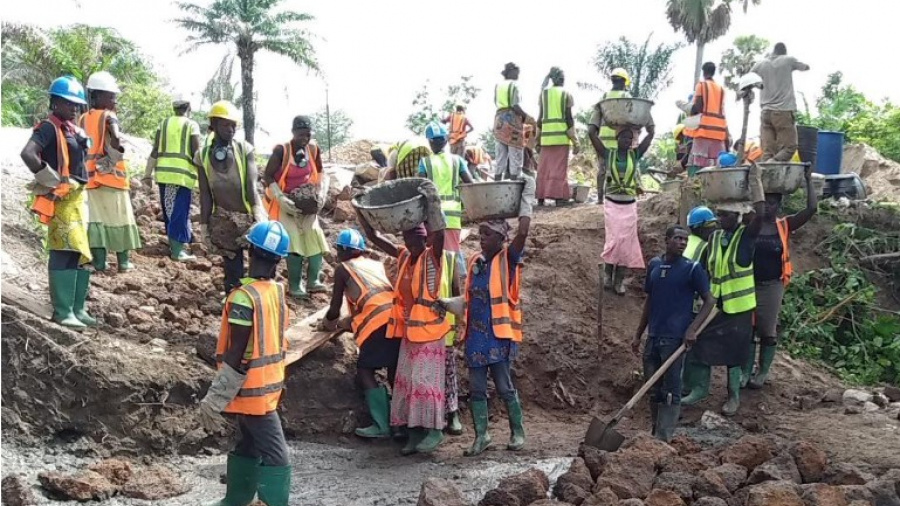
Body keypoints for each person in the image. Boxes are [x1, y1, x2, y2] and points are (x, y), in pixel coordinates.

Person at [438, 171, 536, 456]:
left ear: (501, 239)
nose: (481, 240)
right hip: (476, 336)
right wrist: (446, 303)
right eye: (480, 235)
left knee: (504, 386)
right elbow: (471, 300)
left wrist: (526, 195)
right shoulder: (474, 262)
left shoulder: (509, 259)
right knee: (477, 389)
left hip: (498, 335)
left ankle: (518, 431)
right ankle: (482, 436)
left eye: (487, 236)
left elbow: (524, 231)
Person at [197, 220, 292, 506]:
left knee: (262, 448)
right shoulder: (275, 291)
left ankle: (236, 500)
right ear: (279, 259)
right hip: (265, 390)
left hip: (253, 392)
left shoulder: (243, 297)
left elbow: (236, 352)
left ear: (250, 250)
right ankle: (237, 500)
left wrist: (217, 394)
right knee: (268, 451)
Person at [357, 179, 454, 454]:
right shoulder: (403, 257)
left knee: (425, 383)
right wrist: (360, 209)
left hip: (430, 332)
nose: (413, 241)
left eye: (418, 238)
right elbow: (375, 238)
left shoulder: (431, 258)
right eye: (409, 237)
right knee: (407, 384)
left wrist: (433, 202)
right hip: (409, 331)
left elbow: (441, 233)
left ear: (425, 239)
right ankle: (413, 433)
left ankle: (434, 430)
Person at [681, 164, 766, 416]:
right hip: (716, 305)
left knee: (734, 354)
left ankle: (733, 397)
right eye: (719, 215)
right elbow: (708, 270)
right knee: (698, 340)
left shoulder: (745, 238)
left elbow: (760, 215)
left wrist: (756, 183)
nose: (720, 219)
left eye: (725, 215)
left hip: (739, 308)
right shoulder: (716, 238)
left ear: (738, 217)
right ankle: (699, 388)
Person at [22, 76, 94, 330]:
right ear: (54, 102)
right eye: (68, 103)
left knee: (81, 252)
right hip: (62, 198)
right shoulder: (48, 128)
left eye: (77, 104)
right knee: (64, 249)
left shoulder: (72, 128)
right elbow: (28, 153)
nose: (74, 108)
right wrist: (48, 178)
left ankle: (77, 308)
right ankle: (63, 311)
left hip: (78, 197)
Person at [633, 225, 715, 442]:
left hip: (675, 338)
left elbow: (710, 301)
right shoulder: (655, 265)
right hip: (654, 336)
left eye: (685, 240)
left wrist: (692, 329)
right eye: (678, 238)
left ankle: (665, 436)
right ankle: (655, 431)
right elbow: (649, 302)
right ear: (666, 240)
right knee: (652, 387)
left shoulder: (692, 268)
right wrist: (638, 333)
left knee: (671, 388)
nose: (683, 243)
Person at [744, 166, 817, 389]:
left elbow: (811, 208)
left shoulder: (784, 225)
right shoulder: (750, 223)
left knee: (767, 330)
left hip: (772, 285)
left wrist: (807, 180)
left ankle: (762, 372)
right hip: (747, 283)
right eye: (764, 202)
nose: (768, 207)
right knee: (747, 329)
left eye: (773, 203)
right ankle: (745, 371)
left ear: (779, 206)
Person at [322, 229, 398, 439]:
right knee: (394, 372)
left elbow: (335, 308)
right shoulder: (375, 264)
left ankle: (382, 425)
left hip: (377, 323)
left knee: (365, 371)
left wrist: (328, 324)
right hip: (397, 318)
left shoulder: (343, 269)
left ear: (342, 251)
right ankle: (402, 424)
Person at [196, 100, 267, 294]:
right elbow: (205, 194)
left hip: (248, 215)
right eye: (225, 124)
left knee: (259, 264)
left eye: (233, 125)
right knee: (232, 268)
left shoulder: (244, 149)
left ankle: (257, 299)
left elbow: (252, 186)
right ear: (214, 125)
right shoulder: (201, 156)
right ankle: (234, 301)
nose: (231, 129)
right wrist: (204, 226)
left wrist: (258, 216)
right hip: (225, 221)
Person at [81, 71, 142, 273]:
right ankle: (123, 262)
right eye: (111, 96)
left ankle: (100, 262)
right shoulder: (109, 116)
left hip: (90, 179)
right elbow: (115, 136)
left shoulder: (82, 118)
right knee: (120, 220)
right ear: (98, 96)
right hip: (112, 179)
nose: (114, 100)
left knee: (96, 221)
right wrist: (114, 154)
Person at [263, 115, 330, 299]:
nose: (304, 138)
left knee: (314, 234)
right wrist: (280, 197)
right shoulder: (282, 151)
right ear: (293, 133)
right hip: (286, 202)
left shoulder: (313, 149)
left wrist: (322, 192)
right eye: (301, 134)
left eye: (307, 134)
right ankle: (294, 284)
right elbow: (267, 176)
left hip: (307, 201)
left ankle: (313, 280)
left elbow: (321, 172)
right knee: (293, 237)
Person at [588, 125, 656, 295]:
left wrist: (650, 125)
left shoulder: (635, 154)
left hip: (629, 204)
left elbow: (650, 136)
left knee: (626, 242)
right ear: (617, 139)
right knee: (614, 239)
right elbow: (592, 135)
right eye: (624, 138)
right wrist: (594, 123)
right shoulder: (608, 154)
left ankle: (619, 280)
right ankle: (608, 274)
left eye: (630, 139)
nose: (627, 141)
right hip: (612, 204)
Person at [143, 94, 202, 262]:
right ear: (188, 109)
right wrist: (204, 174)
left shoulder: (164, 123)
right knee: (178, 212)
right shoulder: (192, 125)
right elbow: (196, 153)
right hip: (181, 176)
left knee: (170, 210)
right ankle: (177, 252)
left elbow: (155, 150)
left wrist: (147, 174)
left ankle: (175, 246)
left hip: (163, 174)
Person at [419, 122, 474, 265]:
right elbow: (470, 184)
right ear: (445, 140)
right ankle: (456, 281)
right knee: (453, 253)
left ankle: (444, 283)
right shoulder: (457, 160)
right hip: (453, 215)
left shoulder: (425, 163)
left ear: (430, 142)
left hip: (433, 215)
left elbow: (419, 187)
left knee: (436, 256)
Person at [751, 43, 810, 162]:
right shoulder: (788, 60)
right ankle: (773, 164)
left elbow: (748, 78)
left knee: (768, 151)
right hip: (783, 111)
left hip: (765, 112)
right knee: (789, 148)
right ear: (784, 52)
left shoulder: (760, 64)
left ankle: (767, 175)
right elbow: (806, 67)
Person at [536, 67, 579, 206]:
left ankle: (540, 198)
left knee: (544, 168)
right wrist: (575, 141)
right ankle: (559, 198)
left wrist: (537, 140)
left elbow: (539, 119)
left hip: (546, 139)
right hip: (561, 138)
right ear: (560, 79)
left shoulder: (544, 94)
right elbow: (569, 119)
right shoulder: (566, 94)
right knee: (559, 169)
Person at [589, 68, 632, 190]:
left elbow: (595, 119)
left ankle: (599, 198)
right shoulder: (626, 96)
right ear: (624, 82)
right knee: (618, 168)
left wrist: (594, 134)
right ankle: (616, 191)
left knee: (602, 168)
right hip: (619, 140)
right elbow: (631, 117)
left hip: (603, 139)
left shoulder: (604, 96)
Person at [684, 62, 730, 176]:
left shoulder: (702, 85)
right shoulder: (721, 89)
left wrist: (687, 108)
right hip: (719, 132)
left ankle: (697, 189)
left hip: (704, 131)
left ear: (703, 72)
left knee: (698, 165)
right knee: (716, 165)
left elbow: (698, 107)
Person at [493, 62, 532, 181]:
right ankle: (515, 183)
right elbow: (515, 105)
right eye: (516, 72)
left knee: (500, 156)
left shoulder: (498, 86)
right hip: (512, 122)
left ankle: (497, 182)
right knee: (515, 155)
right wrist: (527, 117)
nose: (518, 74)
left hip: (499, 121)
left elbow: (496, 103)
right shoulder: (515, 85)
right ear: (511, 72)